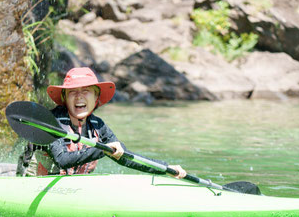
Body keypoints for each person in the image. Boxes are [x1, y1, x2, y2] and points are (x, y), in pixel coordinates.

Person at [16, 67, 187, 178]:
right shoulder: (51, 122)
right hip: (30, 186)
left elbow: (125, 157)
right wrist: (102, 150)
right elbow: (62, 160)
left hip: (68, 191)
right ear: (64, 98)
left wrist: (165, 168)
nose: (79, 97)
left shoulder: (98, 126)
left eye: (86, 91)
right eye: (72, 92)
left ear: (96, 97)